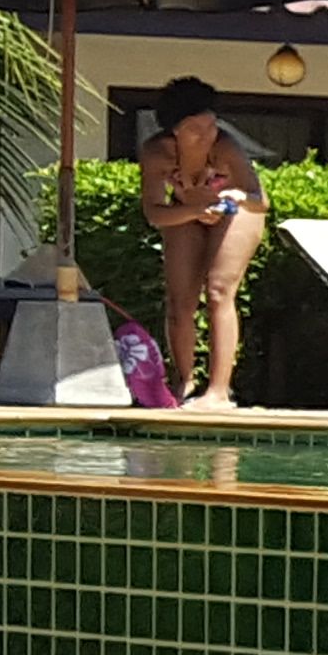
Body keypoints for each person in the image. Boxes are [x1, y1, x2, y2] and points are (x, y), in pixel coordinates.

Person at [136, 75, 266, 408]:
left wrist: (237, 196)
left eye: (211, 125)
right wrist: (194, 210)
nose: (206, 135)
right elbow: (154, 212)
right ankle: (184, 381)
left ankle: (219, 390)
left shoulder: (225, 147)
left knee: (219, 290)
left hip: (237, 212)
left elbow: (259, 200)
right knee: (180, 300)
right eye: (195, 129)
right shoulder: (157, 154)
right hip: (189, 209)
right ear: (174, 132)